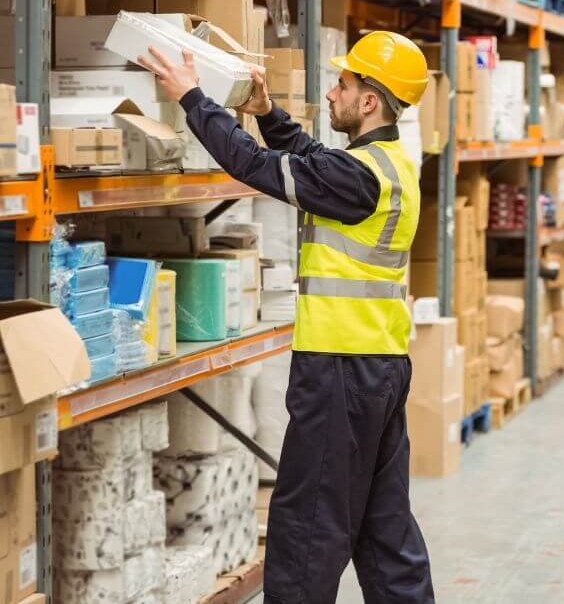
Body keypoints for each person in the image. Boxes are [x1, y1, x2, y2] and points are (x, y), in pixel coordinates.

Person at [138, 32, 435, 603]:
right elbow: (311, 159)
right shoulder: (386, 164)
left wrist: (192, 97)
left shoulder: (361, 178)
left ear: (370, 101)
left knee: (307, 532)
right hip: (380, 368)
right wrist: (268, 112)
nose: (332, 92)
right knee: (384, 529)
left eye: (343, 84)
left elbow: (254, 165)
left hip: (341, 374)